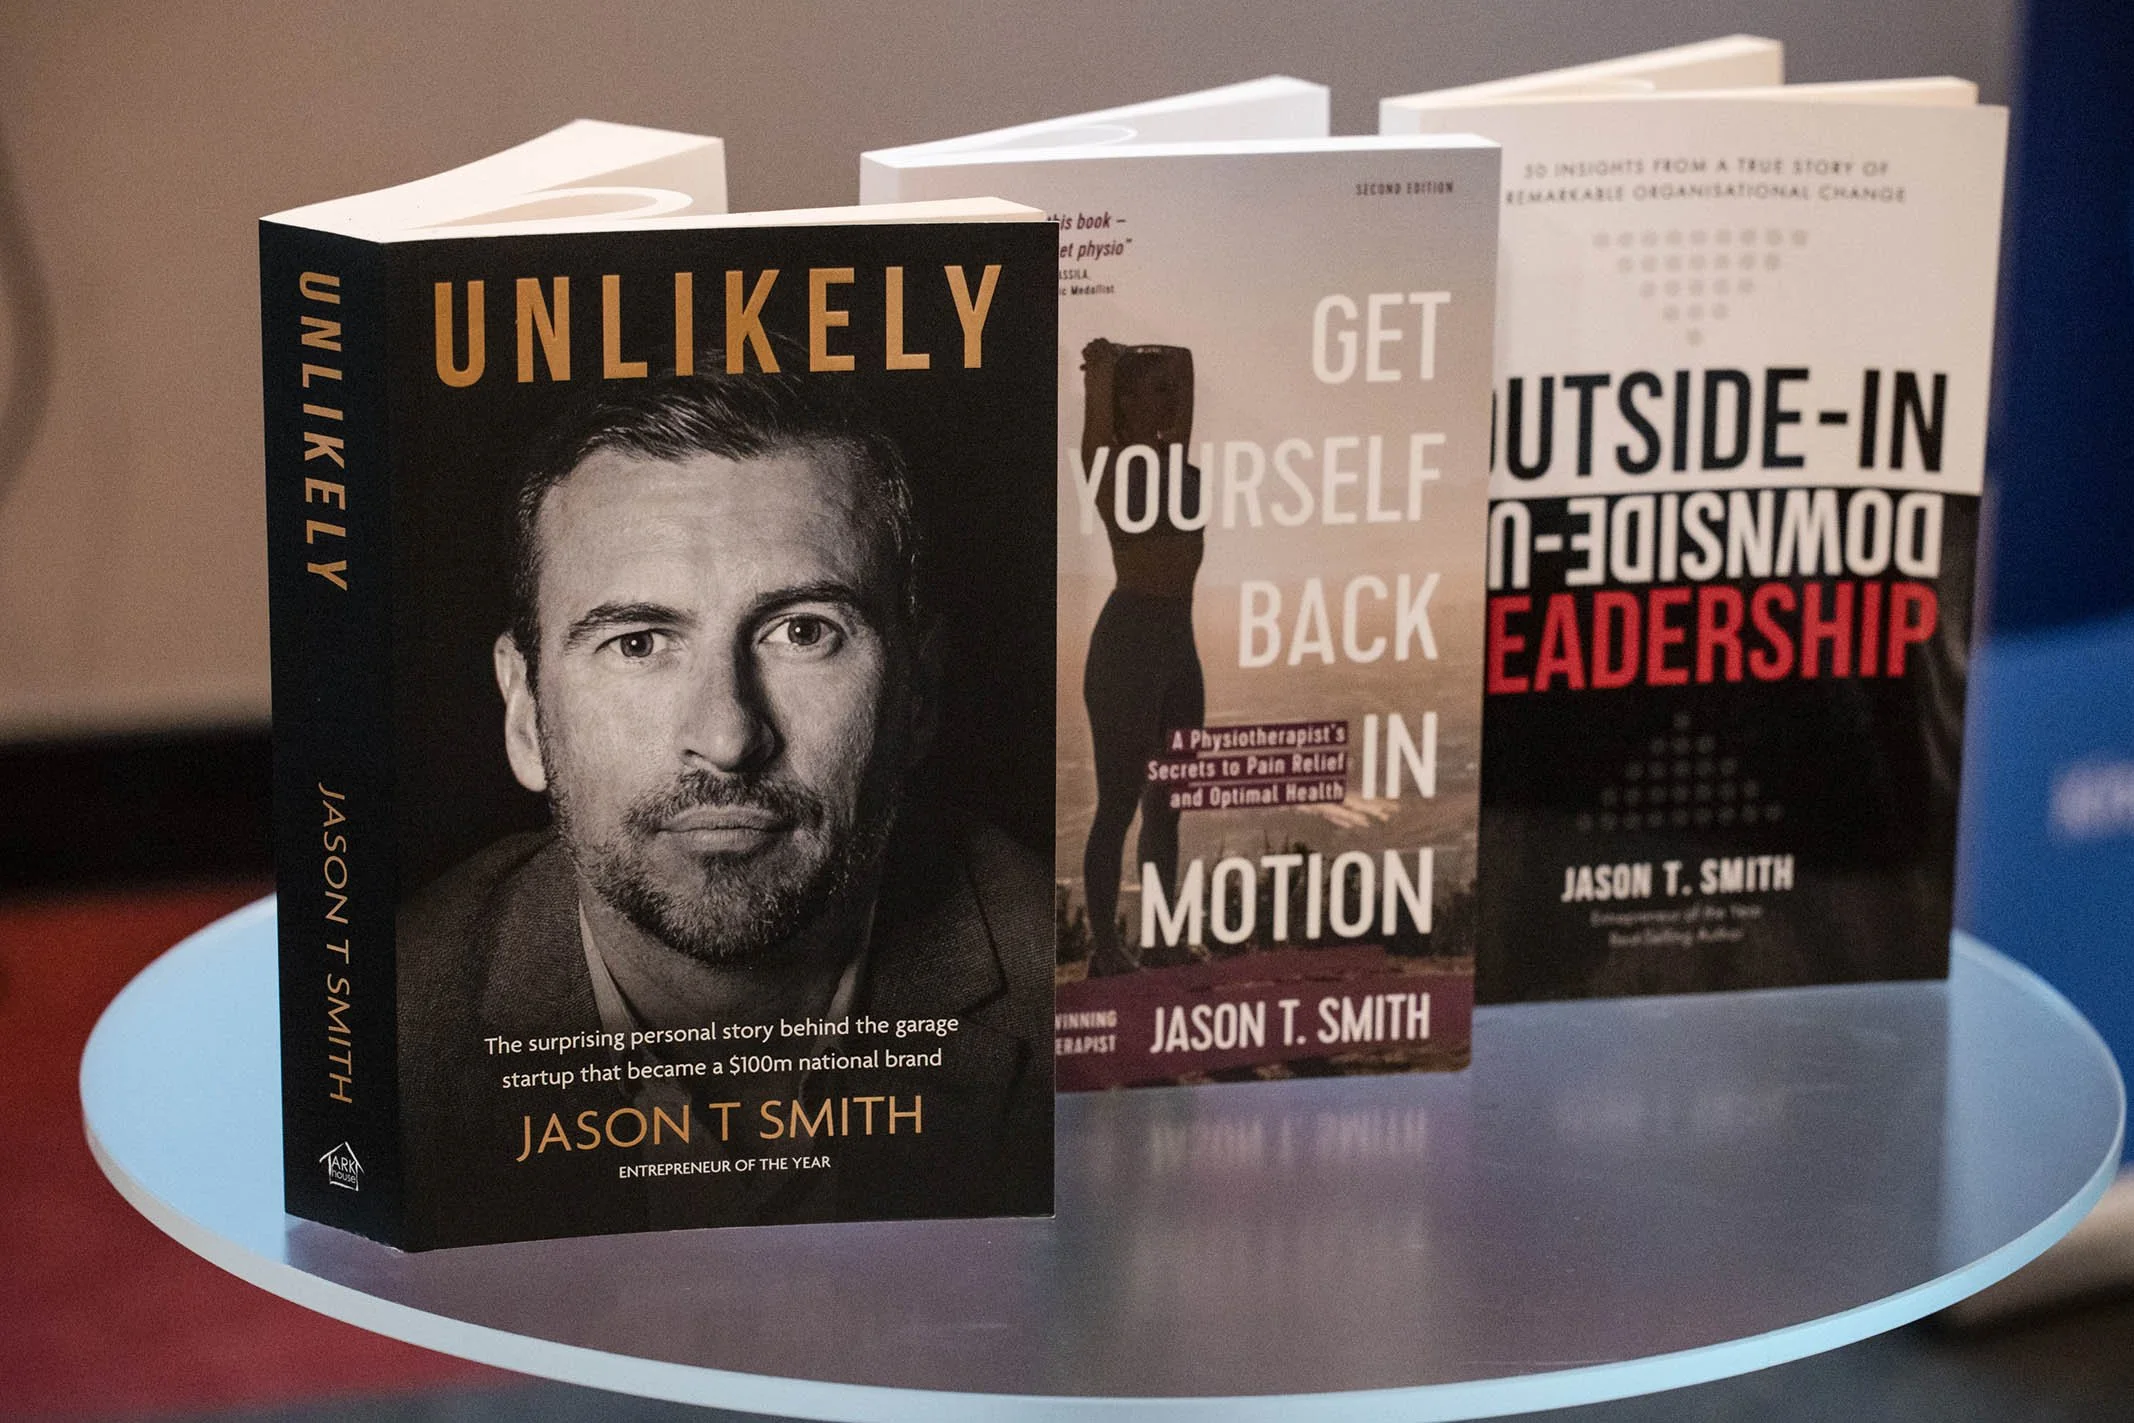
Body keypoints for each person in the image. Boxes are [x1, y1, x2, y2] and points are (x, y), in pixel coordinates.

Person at [397, 368, 1050, 1244]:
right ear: (523, 711)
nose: (729, 736)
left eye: (804, 631)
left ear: (919, 691)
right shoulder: (388, 1029)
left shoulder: (1076, 1002)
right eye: (639, 642)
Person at [1078, 339, 1206, 976]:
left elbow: (1185, 361)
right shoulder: (1108, 464)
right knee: (1119, 804)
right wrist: (1104, 372)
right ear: (1124, 402)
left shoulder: (1174, 455)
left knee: (1169, 801)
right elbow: (1097, 421)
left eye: (1171, 393)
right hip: (1130, 643)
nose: (1173, 399)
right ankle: (1106, 951)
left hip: (1179, 644)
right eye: (1155, 392)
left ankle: (1163, 940)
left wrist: (1143, 361)